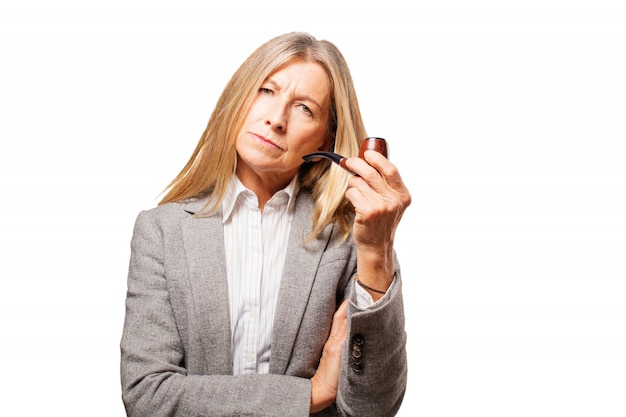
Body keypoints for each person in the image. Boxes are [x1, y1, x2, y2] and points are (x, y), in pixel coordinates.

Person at [120, 31, 411, 417]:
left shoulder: (350, 239)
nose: (276, 119)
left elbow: (374, 407)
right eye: (266, 91)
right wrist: (310, 394)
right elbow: (147, 397)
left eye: (305, 108)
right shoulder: (161, 231)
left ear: (327, 136)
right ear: (239, 96)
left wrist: (377, 251)